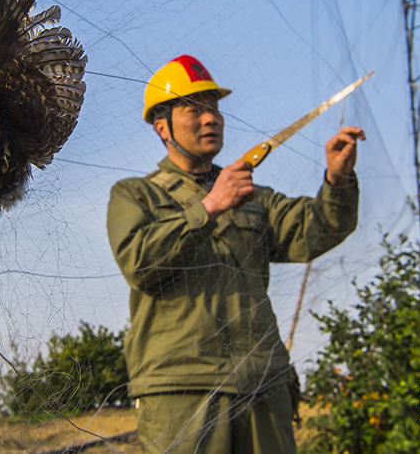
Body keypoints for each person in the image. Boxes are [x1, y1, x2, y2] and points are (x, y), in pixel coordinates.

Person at [107, 55, 364, 453]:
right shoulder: (136, 194)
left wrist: (338, 177)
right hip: (182, 391)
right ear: (162, 127)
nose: (210, 119)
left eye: (215, 108)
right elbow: (140, 264)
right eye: (194, 109)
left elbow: (317, 230)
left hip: (263, 381)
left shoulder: (251, 196)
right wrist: (210, 207)